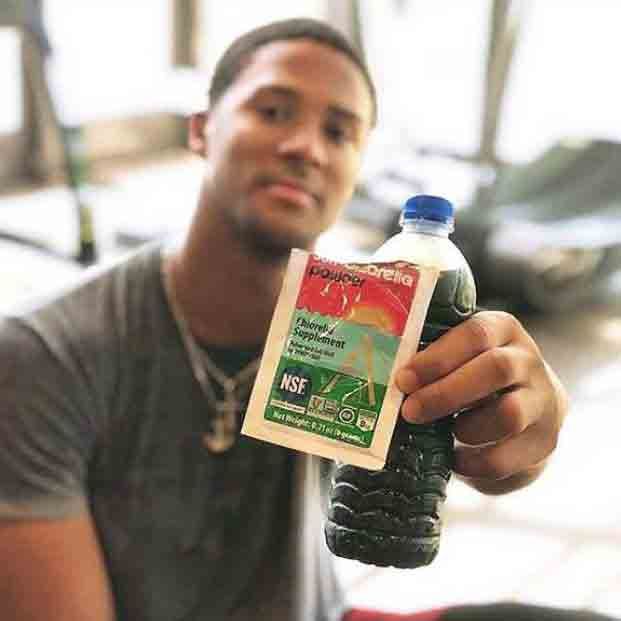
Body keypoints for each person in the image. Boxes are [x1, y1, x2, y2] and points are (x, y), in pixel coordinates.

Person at [0, 17, 572, 621]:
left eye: (338, 131)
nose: (306, 147)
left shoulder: (368, 327)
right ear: (201, 130)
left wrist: (514, 440)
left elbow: (458, 455)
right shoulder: (43, 355)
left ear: (357, 169)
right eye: (273, 111)